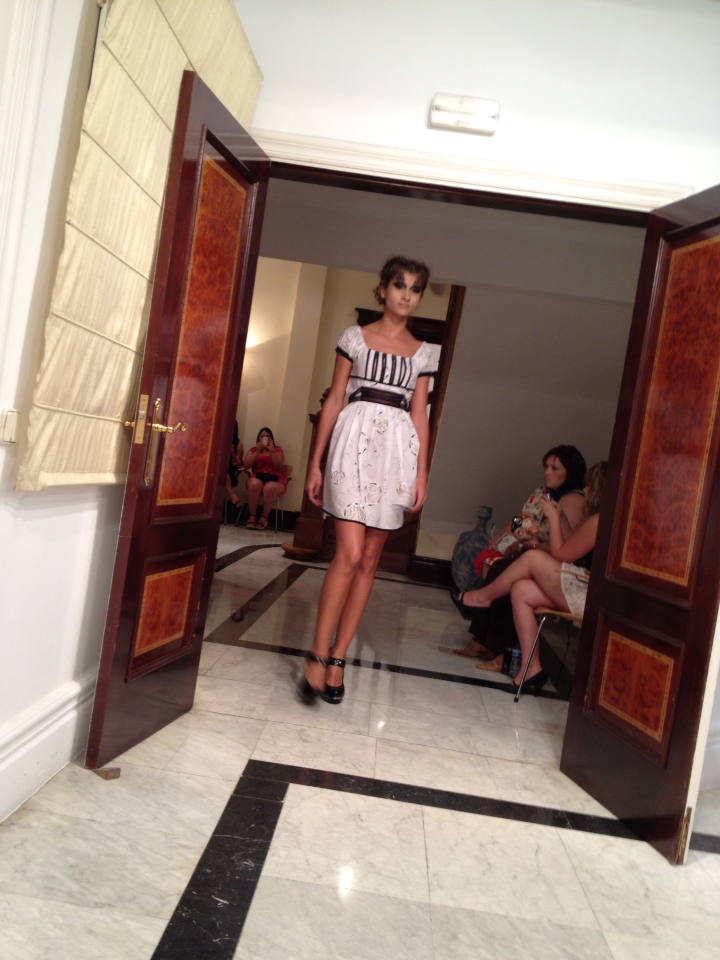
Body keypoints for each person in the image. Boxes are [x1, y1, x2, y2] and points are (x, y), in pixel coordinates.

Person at [301, 255, 436, 704]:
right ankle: (317, 651)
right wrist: (316, 461)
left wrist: (422, 472)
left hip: (396, 456)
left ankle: (339, 655)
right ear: (382, 289)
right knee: (350, 552)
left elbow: (420, 416)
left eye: (415, 288)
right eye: (399, 285)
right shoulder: (353, 338)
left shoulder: (424, 354)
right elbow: (335, 400)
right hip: (351, 447)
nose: (406, 294)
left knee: (370, 558)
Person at [455, 461, 607, 694]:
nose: (585, 490)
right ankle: (531, 668)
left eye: (589, 486)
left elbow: (563, 554)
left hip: (592, 595)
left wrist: (553, 519)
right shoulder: (594, 518)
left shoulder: (597, 519)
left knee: (532, 559)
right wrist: (556, 519)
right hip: (582, 585)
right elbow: (568, 545)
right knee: (521, 589)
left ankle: (481, 599)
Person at [243, 427, 286, 529]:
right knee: (254, 483)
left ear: (271, 439)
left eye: (267, 436)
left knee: (269, 487)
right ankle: (252, 516)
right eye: (262, 436)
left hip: (275, 479)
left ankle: (264, 517)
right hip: (257, 477)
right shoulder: (253, 450)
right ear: (258, 438)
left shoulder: (277, 450)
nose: (265, 438)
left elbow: (278, 467)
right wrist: (257, 452)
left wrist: (272, 451)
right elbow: (246, 466)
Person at [226, 420, 244, 509]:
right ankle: (232, 495)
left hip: (231, 472)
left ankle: (231, 494)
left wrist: (233, 454)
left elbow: (238, 464)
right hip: (215, 472)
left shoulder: (238, 446)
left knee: (223, 473)